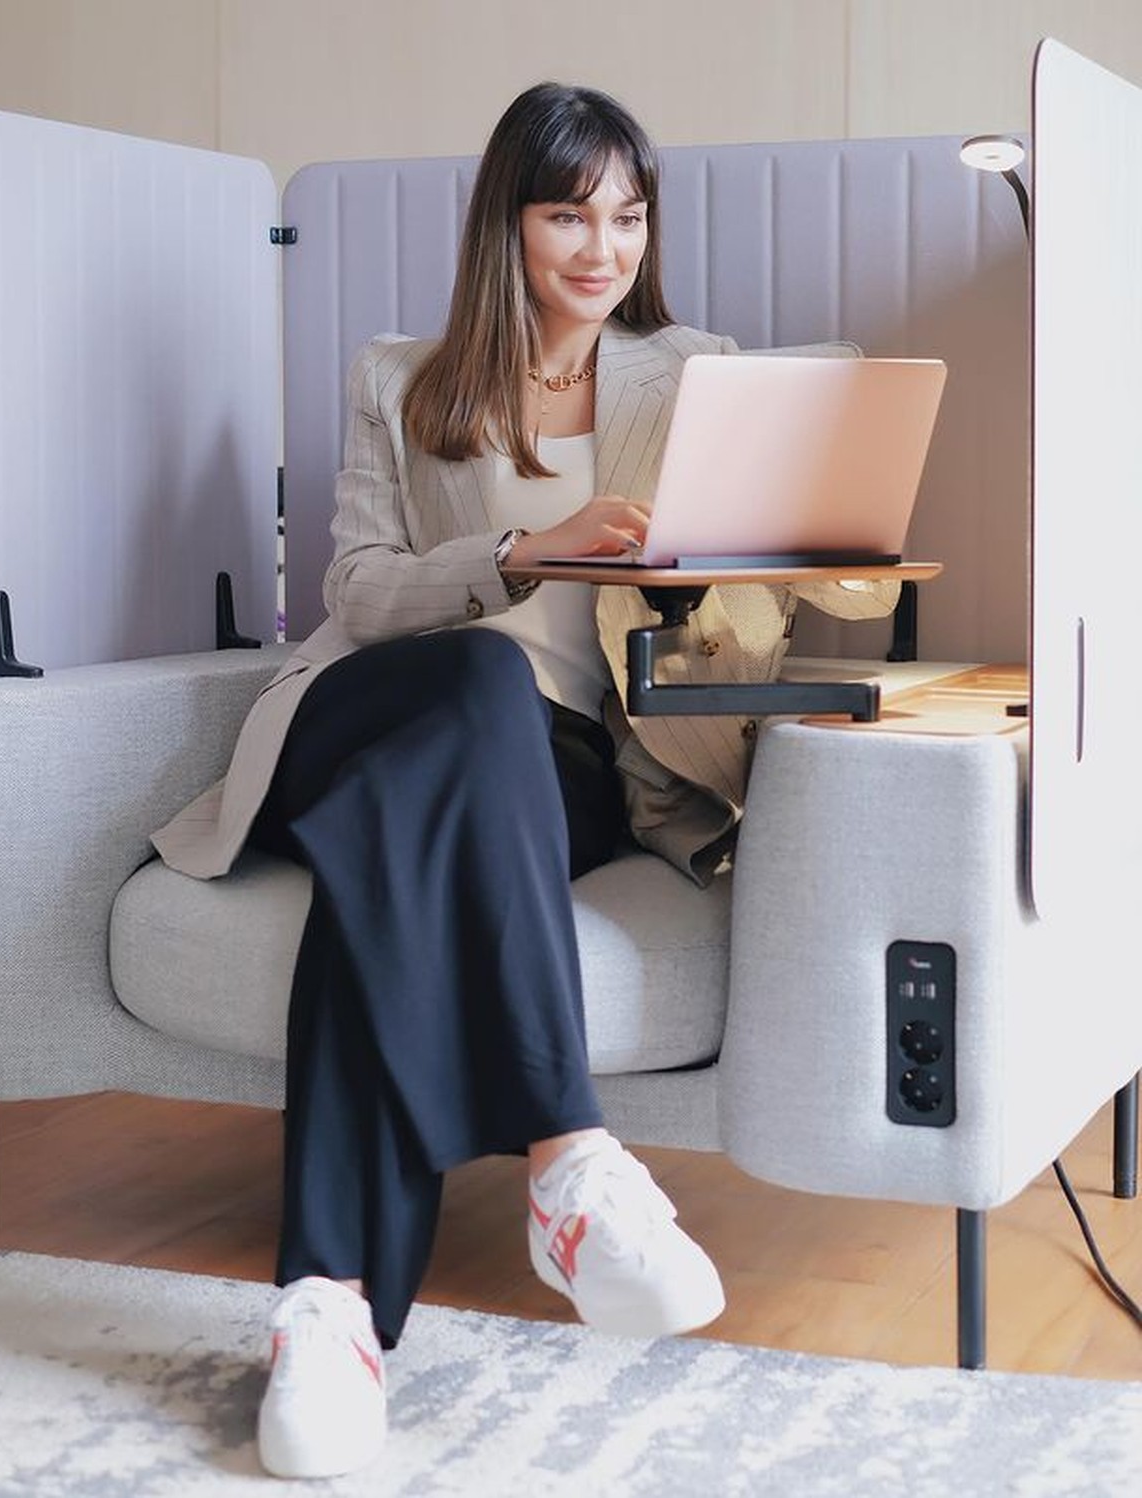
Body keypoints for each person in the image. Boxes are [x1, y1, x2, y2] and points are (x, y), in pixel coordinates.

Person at [152, 81, 899, 1480]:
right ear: (508, 220)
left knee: (410, 831)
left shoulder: (694, 372)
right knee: (480, 682)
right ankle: (569, 1164)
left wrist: (726, 563)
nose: (603, 247)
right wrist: (521, 555)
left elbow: (778, 567)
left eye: (629, 216)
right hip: (368, 710)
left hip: (561, 763)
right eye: (569, 214)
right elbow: (357, 591)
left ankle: (326, 1311)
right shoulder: (402, 378)